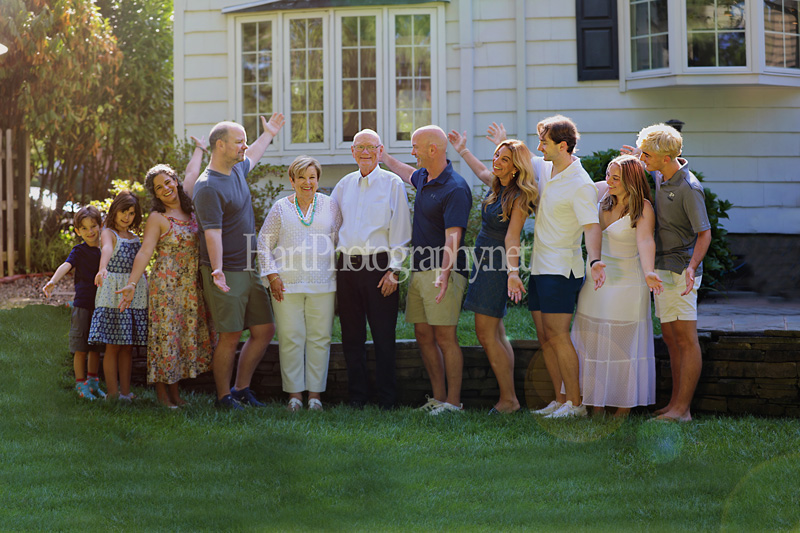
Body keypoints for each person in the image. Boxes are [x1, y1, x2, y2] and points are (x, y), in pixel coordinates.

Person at [487, 117, 605, 418]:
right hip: (540, 267)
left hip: (561, 271)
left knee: (558, 334)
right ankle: (559, 399)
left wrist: (595, 260)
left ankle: (575, 405)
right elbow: (522, 157)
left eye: (544, 143)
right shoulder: (545, 167)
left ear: (563, 146)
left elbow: (591, 227)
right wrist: (502, 140)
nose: (539, 148)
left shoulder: (580, 184)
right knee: (544, 336)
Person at [193, 112, 285, 409]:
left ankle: (241, 388)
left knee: (264, 329)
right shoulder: (208, 187)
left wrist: (269, 134)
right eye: (239, 142)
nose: (244, 146)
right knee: (230, 335)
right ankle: (223, 397)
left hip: (248, 268)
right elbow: (212, 234)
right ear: (220, 145)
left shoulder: (235, 170)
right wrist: (218, 269)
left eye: (245, 141)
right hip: (225, 271)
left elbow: (253, 155)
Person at [622, 124, 711, 422]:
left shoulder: (689, 188)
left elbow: (705, 234)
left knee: (686, 340)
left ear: (666, 158)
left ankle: (683, 410)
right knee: (672, 339)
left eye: (646, 155)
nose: (642, 158)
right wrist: (638, 156)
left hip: (681, 274)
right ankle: (674, 404)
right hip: (662, 270)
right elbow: (649, 165)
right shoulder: (661, 174)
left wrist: (692, 268)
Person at [117, 139, 215, 408]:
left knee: (181, 339)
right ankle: (163, 396)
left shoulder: (188, 205)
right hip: (166, 288)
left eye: (168, 182)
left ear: (175, 181)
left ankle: (176, 394)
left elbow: (192, 171)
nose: (166, 189)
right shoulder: (157, 218)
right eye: (159, 188)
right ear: (156, 195)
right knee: (166, 340)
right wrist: (132, 284)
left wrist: (200, 149)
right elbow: (145, 252)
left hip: (190, 286)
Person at [382, 125, 472, 415]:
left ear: (433, 149)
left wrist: (444, 274)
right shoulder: (424, 177)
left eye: (415, 147)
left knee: (445, 337)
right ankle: (438, 398)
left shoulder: (455, 188)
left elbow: (453, 237)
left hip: (443, 272)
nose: (412, 152)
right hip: (420, 270)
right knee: (423, 334)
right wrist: (384, 157)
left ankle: (453, 403)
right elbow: (406, 172)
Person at [448, 131, 538, 413]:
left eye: (505, 159)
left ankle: (509, 399)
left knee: (486, 333)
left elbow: (513, 238)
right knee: (497, 332)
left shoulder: (518, 197)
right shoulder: (497, 185)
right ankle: (509, 398)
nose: (496, 161)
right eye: (497, 155)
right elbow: (481, 170)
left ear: (516, 167)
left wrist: (513, 273)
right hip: (484, 261)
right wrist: (462, 150)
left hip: (497, 266)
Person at [570, 155, 664, 417]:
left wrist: (649, 272)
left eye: (615, 178)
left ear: (631, 181)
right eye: (608, 175)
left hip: (628, 284)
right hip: (597, 280)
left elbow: (645, 241)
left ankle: (623, 408)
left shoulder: (643, 207)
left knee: (623, 345)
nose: (609, 181)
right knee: (591, 340)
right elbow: (577, 184)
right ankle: (595, 404)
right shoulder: (602, 196)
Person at [331, 129, 412, 410]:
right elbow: (332, 226)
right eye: (360, 147)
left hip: (379, 267)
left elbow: (401, 229)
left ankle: (387, 399)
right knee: (351, 334)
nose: (365, 152)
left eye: (370, 147)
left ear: (380, 151)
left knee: (383, 335)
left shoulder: (392, 184)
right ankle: (357, 396)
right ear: (353, 152)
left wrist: (394, 270)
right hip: (347, 266)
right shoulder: (343, 185)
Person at [258, 156, 342, 412]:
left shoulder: (330, 205)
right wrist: (272, 276)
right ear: (292, 180)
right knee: (290, 338)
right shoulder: (280, 208)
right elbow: (263, 243)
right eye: (302, 177)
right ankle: (294, 396)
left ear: (318, 180)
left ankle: (315, 397)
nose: (307, 182)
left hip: (323, 283)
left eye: (312, 177)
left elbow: (340, 240)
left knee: (320, 338)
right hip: (286, 285)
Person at [89, 190, 148, 401]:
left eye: (131, 213)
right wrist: (102, 268)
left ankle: (125, 392)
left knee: (127, 346)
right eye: (124, 211)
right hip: (113, 294)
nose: (127, 217)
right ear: (115, 210)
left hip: (133, 294)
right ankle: (113, 394)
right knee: (113, 345)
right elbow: (106, 249)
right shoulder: (109, 233)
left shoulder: (135, 238)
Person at [42, 205, 106, 400]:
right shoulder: (79, 251)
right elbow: (66, 265)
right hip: (82, 305)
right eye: (84, 228)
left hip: (101, 304)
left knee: (95, 347)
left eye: (93, 226)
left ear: (100, 225)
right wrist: (53, 281)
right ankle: (80, 384)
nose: (90, 232)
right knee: (80, 348)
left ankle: (93, 383)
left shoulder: (106, 251)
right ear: (78, 231)